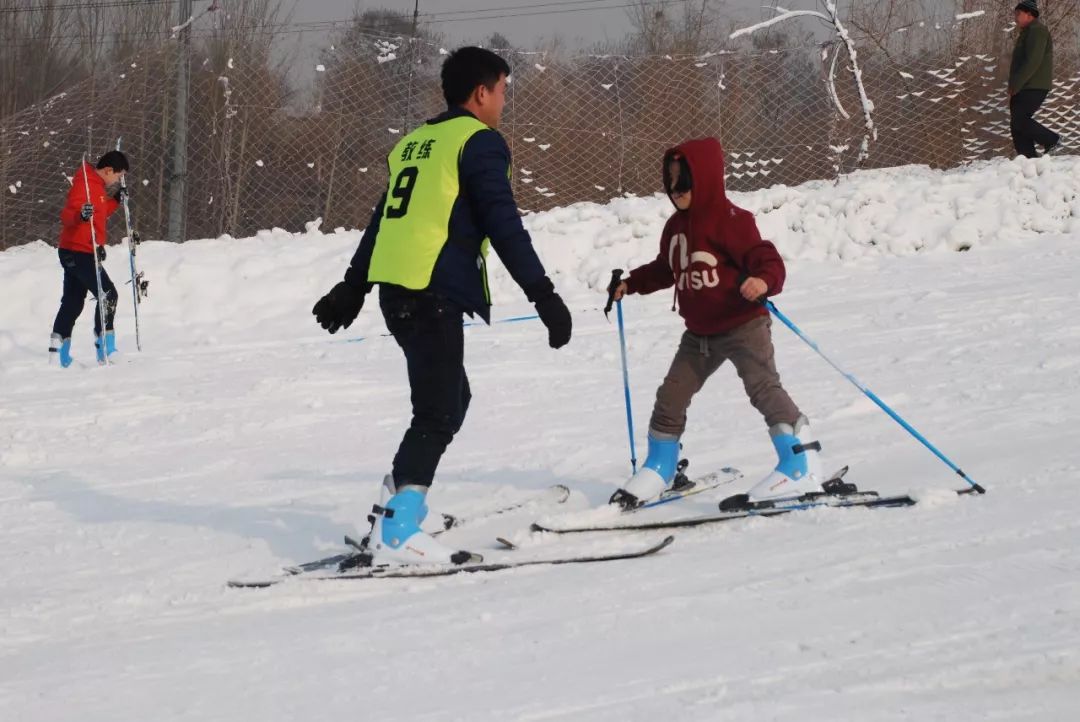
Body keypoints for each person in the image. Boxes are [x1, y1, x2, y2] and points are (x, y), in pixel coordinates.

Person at [312, 47, 572, 566]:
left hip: (398, 289)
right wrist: (544, 295)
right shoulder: (478, 142)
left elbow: (383, 218)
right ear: (482, 92)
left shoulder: (415, 142)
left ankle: (394, 501)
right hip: (431, 292)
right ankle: (399, 528)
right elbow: (503, 224)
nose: (503, 101)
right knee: (437, 411)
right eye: (502, 90)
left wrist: (354, 285)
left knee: (454, 394)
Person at [608, 138, 825, 509]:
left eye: (684, 182)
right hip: (699, 333)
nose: (676, 192)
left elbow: (768, 260)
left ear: (704, 179)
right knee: (671, 396)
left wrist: (762, 281)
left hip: (743, 325)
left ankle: (800, 461)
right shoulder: (674, 228)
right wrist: (631, 283)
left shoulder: (732, 222)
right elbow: (666, 268)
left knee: (763, 388)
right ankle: (660, 465)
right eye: (670, 182)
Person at [49, 150, 128, 367]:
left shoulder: (97, 186)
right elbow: (67, 215)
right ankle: (106, 348)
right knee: (108, 295)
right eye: (118, 175)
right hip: (78, 250)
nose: (118, 180)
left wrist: (115, 201)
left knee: (73, 302)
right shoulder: (83, 184)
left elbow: (99, 212)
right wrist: (80, 215)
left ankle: (58, 355)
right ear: (108, 170)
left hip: (78, 250)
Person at [1009, 0, 1059, 158]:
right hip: (1024, 85)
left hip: (1033, 85)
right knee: (1017, 122)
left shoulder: (1037, 31)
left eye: (1018, 13)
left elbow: (1033, 61)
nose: (1015, 17)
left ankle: (1052, 140)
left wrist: (1016, 84)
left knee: (1019, 119)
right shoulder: (1027, 32)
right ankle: (1027, 158)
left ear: (1030, 15)